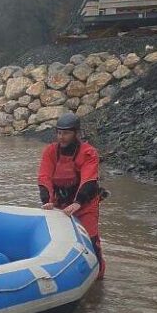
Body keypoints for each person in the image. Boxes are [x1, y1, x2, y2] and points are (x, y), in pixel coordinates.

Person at [38, 112, 106, 279]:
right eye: (59, 133)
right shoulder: (50, 151)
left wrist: (78, 203)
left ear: (76, 133)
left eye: (66, 133)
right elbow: (44, 177)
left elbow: (89, 180)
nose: (62, 137)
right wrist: (47, 200)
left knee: (91, 241)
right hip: (60, 204)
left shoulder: (88, 153)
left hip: (84, 204)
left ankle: (99, 277)